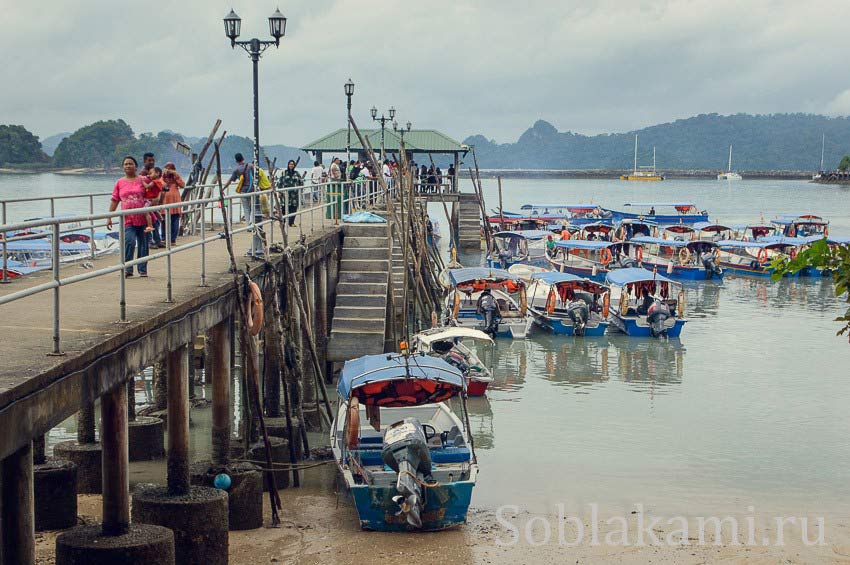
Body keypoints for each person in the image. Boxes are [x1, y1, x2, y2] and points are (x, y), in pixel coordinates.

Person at [107, 156, 150, 278]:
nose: (128, 166)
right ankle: (128, 268)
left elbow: (153, 193)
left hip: (143, 217)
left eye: (131, 164)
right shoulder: (119, 182)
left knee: (143, 244)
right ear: (123, 167)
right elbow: (115, 200)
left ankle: (142, 269)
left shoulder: (143, 180)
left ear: (136, 166)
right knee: (129, 242)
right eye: (125, 164)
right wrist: (109, 217)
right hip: (128, 219)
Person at [222, 153, 262, 257]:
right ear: (243, 158)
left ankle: (248, 225)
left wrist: (223, 189)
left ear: (236, 160)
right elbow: (258, 176)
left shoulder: (236, 170)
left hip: (243, 191)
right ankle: (252, 222)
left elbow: (230, 181)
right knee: (253, 207)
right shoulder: (251, 166)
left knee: (246, 208)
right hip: (252, 191)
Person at [161, 162, 185, 245]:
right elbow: (160, 184)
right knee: (163, 220)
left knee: (175, 220)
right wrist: (164, 175)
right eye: (167, 168)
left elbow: (182, 185)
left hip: (175, 201)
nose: (168, 170)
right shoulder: (162, 177)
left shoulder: (176, 176)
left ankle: (172, 239)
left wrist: (175, 175)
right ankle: (164, 238)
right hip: (165, 201)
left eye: (170, 168)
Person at [140, 166, 163, 245]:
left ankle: (149, 225)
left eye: (151, 173)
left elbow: (147, 186)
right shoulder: (159, 182)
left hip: (149, 199)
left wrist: (142, 181)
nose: (149, 175)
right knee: (154, 210)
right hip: (153, 199)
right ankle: (161, 218)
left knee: (146, 211)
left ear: (157, 174)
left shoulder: (154, 182)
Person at [278, 160, 303, 227]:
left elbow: (301, 182)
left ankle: (291, 222)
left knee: (293, 208)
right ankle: (283, 221)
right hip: (285, 194)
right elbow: (280, 182)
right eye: (290, 164)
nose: (291, 165)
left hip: (294, 195)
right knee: (284, 208)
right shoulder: (284, 173)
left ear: (294, 165)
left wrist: (301, 191)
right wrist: (279, 191)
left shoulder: (297, 173)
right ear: (288, 165)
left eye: (292, 164)